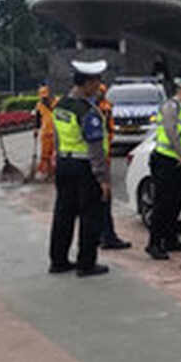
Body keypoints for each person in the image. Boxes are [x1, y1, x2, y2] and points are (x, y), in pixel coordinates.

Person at [48, 59, 112, 277]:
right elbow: (95, 148)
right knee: (90, 215)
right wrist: (102, 179)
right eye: (96, 83)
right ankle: (86, 264)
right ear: (87, 83)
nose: (98, 87)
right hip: (85, 168)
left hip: (64, 164)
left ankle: (58, 261)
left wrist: (57, 157)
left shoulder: (61, 105)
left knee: (63, 214)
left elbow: (57, 135)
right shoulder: (87, 112)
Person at [146, 79, 181, 260]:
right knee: (163, 204)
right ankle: (154, 244)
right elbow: (170, 132)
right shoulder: (171, 106)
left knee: (175, 203)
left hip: (177, 161)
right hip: (166, 160)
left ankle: (170, 239)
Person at [95, 83, 131, 250]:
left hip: (97, 159)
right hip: (99, 160)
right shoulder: (99, 110)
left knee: (96, 203)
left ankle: (100, 236)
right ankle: (107, 237)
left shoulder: (103, 108)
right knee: (104, 200)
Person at [33, 85, 57, 181]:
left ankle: (55, 173)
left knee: (55, 154)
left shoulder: (57, 103)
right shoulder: (39, 106)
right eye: (43, 97)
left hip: (57, 133)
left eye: (46, 97)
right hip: (46, 133)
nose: (44, 99)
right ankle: (47, 173)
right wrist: (36, 129)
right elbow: (37, 119)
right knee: (45, 155)